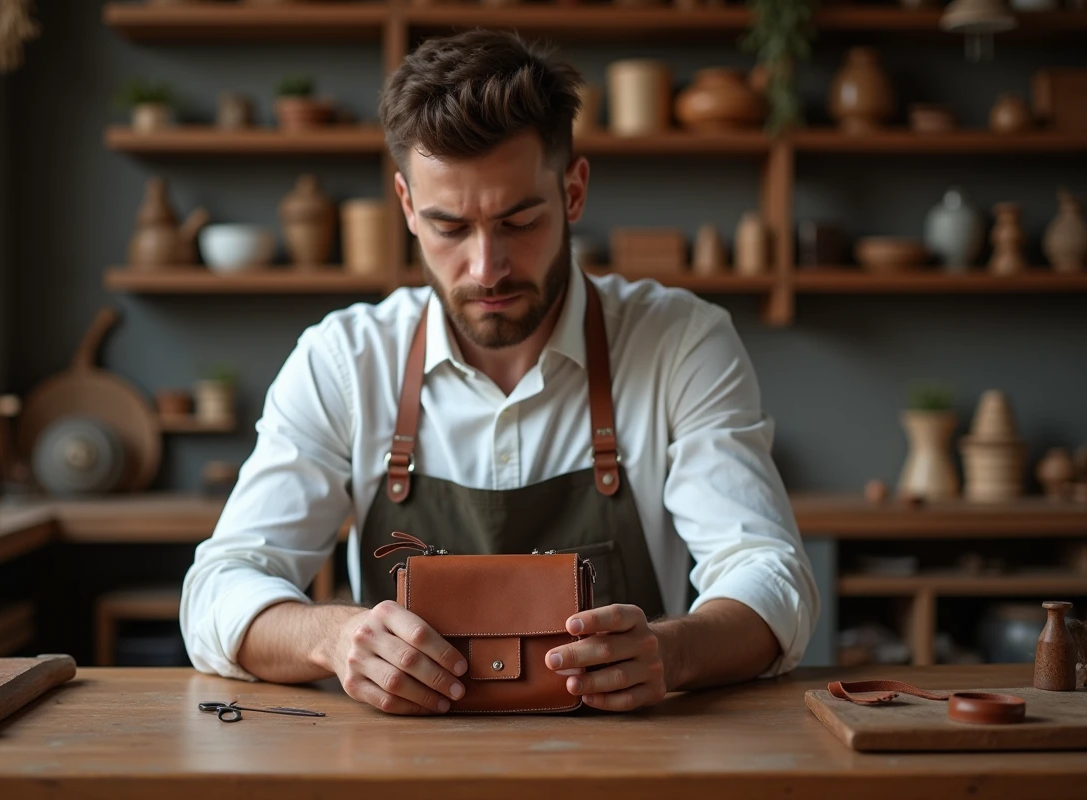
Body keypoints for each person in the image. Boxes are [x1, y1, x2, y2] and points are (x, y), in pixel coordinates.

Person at [181, 29, 818, 716]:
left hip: (629, 765)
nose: (486, 269)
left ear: (573, 191)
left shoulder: (680, 344)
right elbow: (220, 587)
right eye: (450, 227)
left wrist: (673, 651)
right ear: (406, 208)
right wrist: (334, 638)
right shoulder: (344, 360)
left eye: (519, 220)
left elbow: (769, 575)